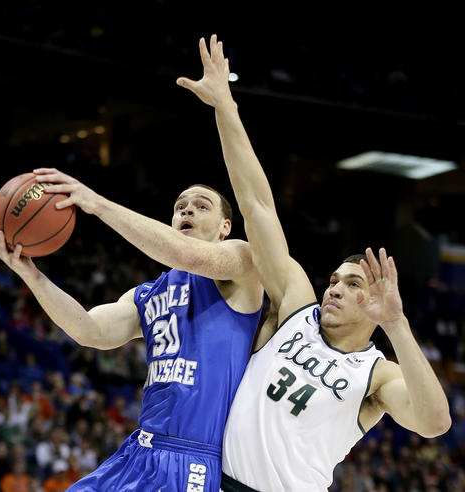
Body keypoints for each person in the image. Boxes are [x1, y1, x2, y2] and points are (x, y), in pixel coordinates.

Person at [176, 34, 452, 491]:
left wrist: (398, 325)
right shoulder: (297, 308)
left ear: (375, 303)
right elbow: (258, 207)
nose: (335, 288)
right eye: (335, 280)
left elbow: (435, 422)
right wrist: (226, 108)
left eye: (352, 283)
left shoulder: (376, 374)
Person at [0, 169, 263, 491]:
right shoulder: (147, 295)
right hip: (138, 451)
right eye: (180, 207)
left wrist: (96, 204)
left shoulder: (243, 261)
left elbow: (182, 253)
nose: (187, 210)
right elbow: (88, 330)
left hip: (189, 459)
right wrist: (29, 272)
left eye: (201, 206)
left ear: (225, 227)